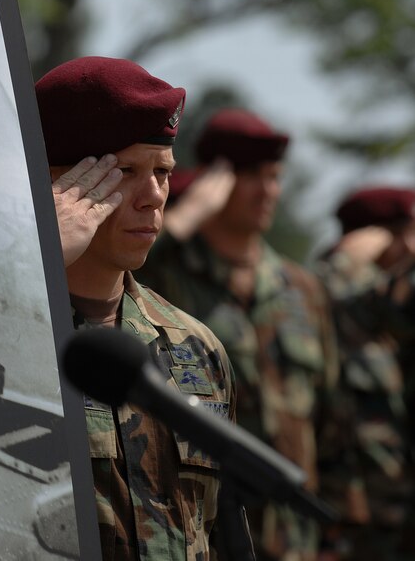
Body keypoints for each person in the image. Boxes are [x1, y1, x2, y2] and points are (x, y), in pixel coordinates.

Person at [36, 56, 239, 561]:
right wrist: (32, 257)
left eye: (163, 172)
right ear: (55, 182)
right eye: (125, 170)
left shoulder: (195, 347)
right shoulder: (6, 340)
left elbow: (224, 535)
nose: (153, 197)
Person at [134, 108, 353, 561]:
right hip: (208, 532)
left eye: (275, 176)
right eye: (252, 175)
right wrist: (186, 214)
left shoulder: (303, 289)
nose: (268, 190)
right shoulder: (169, 273)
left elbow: (332, 419)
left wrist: (335, 531)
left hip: (296, 538)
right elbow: (118, 275)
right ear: (217, 180)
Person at [315, 187, 415, 560]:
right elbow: (326, 294)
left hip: (396, 514)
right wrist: (346, 260)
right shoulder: (333, 294)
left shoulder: (390, 305)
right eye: (403, 233)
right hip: (351, 520)